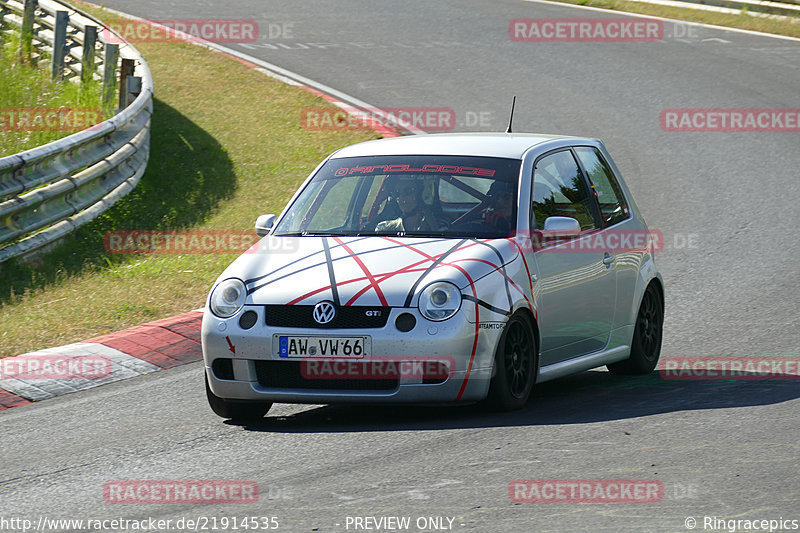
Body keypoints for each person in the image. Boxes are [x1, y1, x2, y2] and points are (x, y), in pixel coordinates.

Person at [374, 178, 447, 233]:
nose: (401, 197)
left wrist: (431, 222)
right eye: (397, 193)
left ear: (421, 194)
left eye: (408, 191)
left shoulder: (441, 225)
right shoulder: (384, 228)